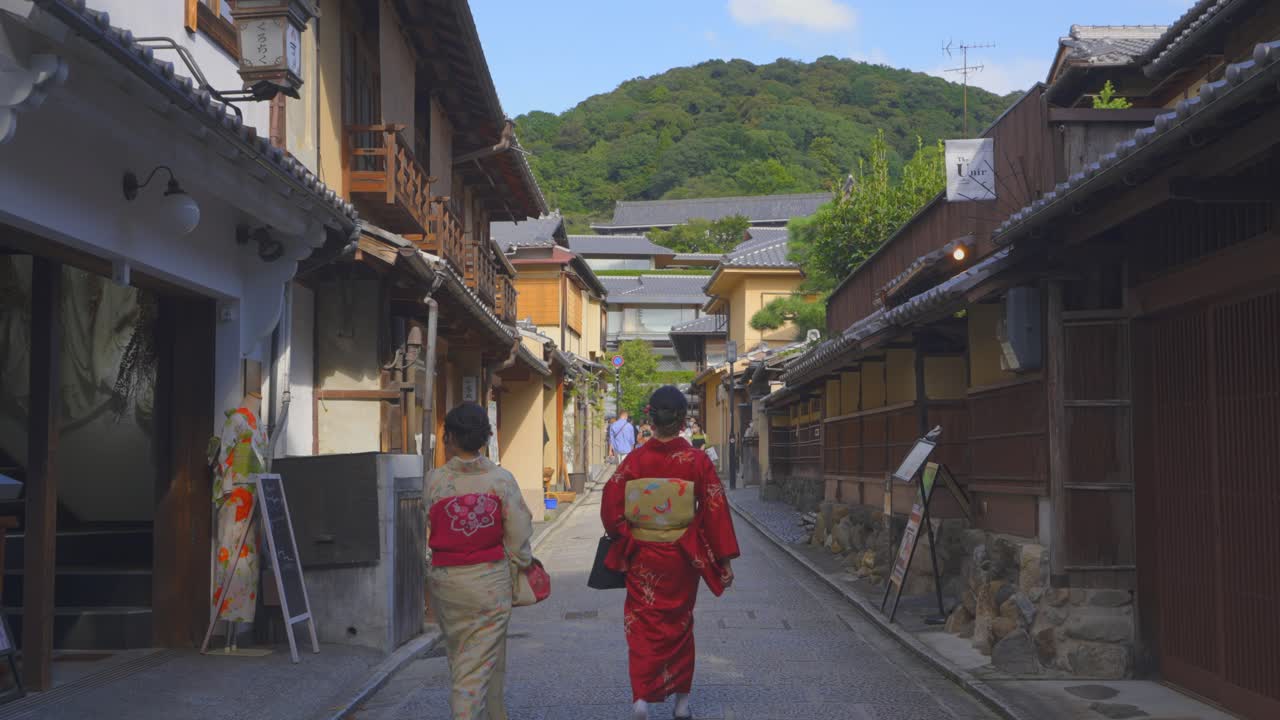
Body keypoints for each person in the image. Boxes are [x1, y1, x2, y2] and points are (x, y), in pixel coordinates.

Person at [601, 386, 741, 720]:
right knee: (679, 624)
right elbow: (715, 509)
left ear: (650, 418)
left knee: (642, 624)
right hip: (681, 556)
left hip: (643, 555)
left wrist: (627, 537)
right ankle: (681, 704)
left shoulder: (635, 460)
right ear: (682, 421)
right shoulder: (696, 460)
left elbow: (611, 504)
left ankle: (641, 701)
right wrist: (721, 560)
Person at [425, 402, 533, 720]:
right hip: (488, 582)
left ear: (451, 438)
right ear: (484, 438)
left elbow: (427, 527)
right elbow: (519, 531)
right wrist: (519, 562)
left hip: (446, 580)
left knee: (467, 654)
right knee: (474, 668)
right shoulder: (500, 480)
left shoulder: (435, 481)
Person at [208, 389, 267, 652]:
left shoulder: (255, 421)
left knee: (246, 560)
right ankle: (228, 622)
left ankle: (239, 621)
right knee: (233, 555)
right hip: (238, 495)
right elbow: (225, 459)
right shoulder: (238, 421)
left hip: (249, 496)